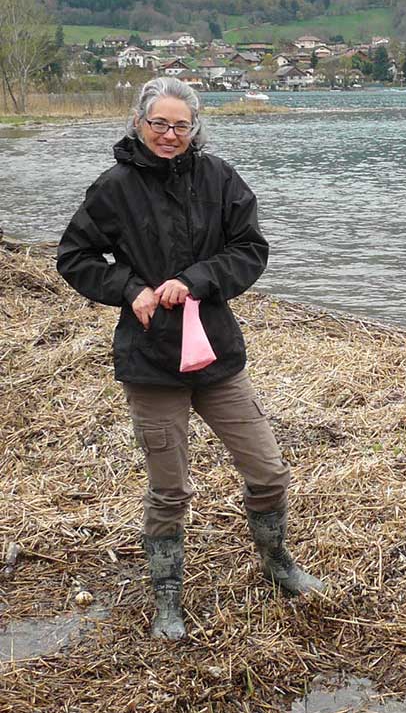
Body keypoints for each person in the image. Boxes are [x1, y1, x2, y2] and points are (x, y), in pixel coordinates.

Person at [56, 77, 322, 642]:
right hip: (151, 364)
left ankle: (278, 564)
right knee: (170, 490)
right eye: (160, 124)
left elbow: (250, 249)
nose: (170, 135)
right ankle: (167, 598)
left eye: (181, 125)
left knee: (269, 473)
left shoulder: (220, 179)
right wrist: (129, 287)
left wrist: (195, 280)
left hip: (217, 358)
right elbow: (75, 257)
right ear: (139, 124)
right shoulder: (114, 188)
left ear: (195, 128)